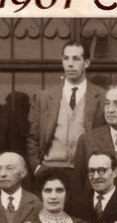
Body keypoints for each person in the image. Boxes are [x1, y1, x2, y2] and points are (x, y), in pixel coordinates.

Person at [28, 39, 107, 183]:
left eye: (76, 58)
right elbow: (33, 137)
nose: (70, 64)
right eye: (66, 58)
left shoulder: (102, 96)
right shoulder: (45, 97)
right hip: (49, 170)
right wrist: (36, 167)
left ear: (86, 63)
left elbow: (108, 137)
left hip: (86, 172)